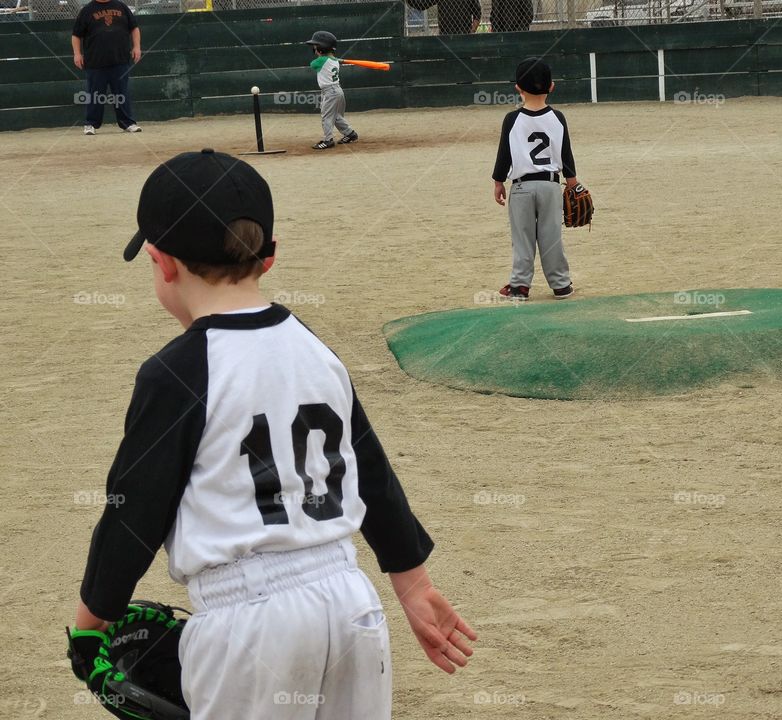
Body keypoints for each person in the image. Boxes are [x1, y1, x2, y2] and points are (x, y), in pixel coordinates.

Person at [69, 148, 476, 719]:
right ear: (271, 256)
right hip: (350, 604)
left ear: (162, 263)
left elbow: (134, 510)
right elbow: (371, 473)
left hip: (250, 622)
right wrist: (411, 585)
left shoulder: (177, 371)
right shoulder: (314, 349)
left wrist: (92, 624)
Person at [492, 58, 579, 301]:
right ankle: (561, 285)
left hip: (521, 187)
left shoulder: (512, 119)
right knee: (552, 236)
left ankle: (519, 287)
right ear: (552, 86)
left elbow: (504, 154)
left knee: (522, 238)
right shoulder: (558, 117)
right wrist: (573, 183)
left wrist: (499, 181)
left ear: (517, 87)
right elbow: (566, 154)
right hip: (551, 185)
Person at [71, 0, 142, 135]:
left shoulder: (121, 7)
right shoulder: (87, 10)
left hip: (120, 59)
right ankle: (90, 124)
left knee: (121, 93)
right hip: (95, 62)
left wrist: (137, 46)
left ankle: (128, 123)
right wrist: (77, 54)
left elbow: (134, 28)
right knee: (95, 94)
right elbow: (76, 35)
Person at [305, 30, 359, 150]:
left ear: (321, 48)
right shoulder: (335, 60)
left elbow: (312, 64)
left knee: (326, 116)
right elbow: (326, 61)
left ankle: (328, 140)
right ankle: (350, 134)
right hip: (337, 91)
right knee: (335, 116)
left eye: (316, 47)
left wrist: (321, 56)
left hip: (330, 92)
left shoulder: (321, 60)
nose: (314, 49)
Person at [405, 0, 481, 34]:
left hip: (464, 32)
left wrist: (472, 32)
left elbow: (477, 13)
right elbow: (422, 4)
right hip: (445, 33)